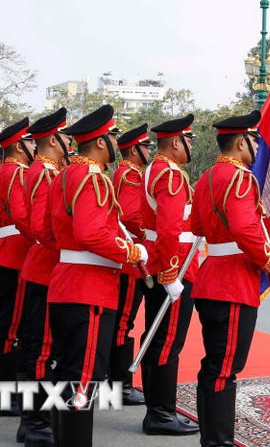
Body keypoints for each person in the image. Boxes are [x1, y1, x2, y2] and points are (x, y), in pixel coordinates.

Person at [46, 104, 148, 447]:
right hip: (89, 288)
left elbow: (48, 230)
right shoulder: (91, 179)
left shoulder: (63, 175)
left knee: (67, 376)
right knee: (83, 380)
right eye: (114, 137)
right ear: (102, 142)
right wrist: (131, 251)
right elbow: (91, 233)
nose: (117, 143)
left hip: (65, 282)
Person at [190, 111, 270, 447]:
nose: (258, 145)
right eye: (254, 139)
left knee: (214, 365)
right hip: (232, 284)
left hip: (210, 279)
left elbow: (197, 228)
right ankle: (218, 442)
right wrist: (269, 259)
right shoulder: (241, 179)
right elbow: (244, 230)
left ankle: (211, 439)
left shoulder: (207, 178)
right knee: (224, 369)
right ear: (241, 141)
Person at [139, 114, 200, 435]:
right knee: (167, 343)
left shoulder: (153, 169)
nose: (190, 146)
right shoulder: (171, 175)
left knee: (157, 338)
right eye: (189, 140)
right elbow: (169, 231)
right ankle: (160, 414)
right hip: (173, 267)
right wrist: (170, 274)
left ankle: (156, 409)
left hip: (160, 262)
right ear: (176, 142)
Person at [17, 107, 69, 447]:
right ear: (53, 140)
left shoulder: (39, 170)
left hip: (40, 262)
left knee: (37, 344)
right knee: (41, 347)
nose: (69, 142)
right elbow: (38, 224)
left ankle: (32, 418)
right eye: (65, 137)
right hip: (47, 266)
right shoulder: (46, 173)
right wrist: (63, 246)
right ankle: (35, 421)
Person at [0, 117, 35, 417]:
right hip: (16, 254)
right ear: (19, 146)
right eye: (30, 142)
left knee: (4, 327)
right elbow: (22, 215)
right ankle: (6, 399)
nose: (33, 146)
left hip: (1, 250)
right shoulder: (17, 173)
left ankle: (1, 397)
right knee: (12, 328)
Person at [109, 124, 153, 406]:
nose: (149, 151)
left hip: (130, 257)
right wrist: (154, 232)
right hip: (130, 260)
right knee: (123, 323)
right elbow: (130, 216)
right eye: (146, 146)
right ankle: (120, 385)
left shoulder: (124, 173)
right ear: (134, 150)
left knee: (121, 322)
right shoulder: (131, 175)